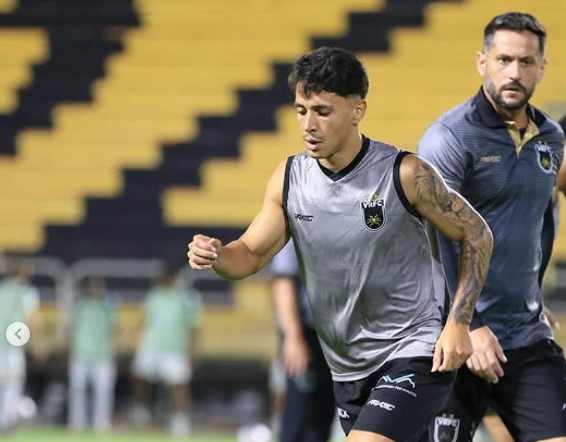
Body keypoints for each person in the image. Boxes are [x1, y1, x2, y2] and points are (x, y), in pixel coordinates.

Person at [187, 46, 494, 442]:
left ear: (357, 111)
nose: (308, 125)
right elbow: (248, 255)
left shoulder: (405, 174)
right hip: (347, 368)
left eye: (322, 111)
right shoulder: (290, 178)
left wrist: (459, 322)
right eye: (301, 110)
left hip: (414, 351)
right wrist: (216, 254)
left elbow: (477, 233)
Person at [417, 12, 566, 442]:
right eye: (504, 59)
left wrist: (533, 294)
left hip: (524, 335)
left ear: (542, 68)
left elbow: (541, 221)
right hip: (451, 335)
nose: (514, 72)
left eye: (526, 62)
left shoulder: (551, 138)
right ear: (482, 62)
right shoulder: (450, 137)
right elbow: (433, 240)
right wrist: (469, 323)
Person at [481, 110, 566, 442]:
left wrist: (530, 300)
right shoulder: (523, 184)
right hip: (481, 327)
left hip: (512, 326)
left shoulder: (547, 198)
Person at [269, 240, 335, 442]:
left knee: (323, 416)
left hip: (338, 336)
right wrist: (293, 337)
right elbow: (283, 280)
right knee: (300, 416)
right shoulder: (296, 226)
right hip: (308, 334)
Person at [131, 269, 203, 438]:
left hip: (175, 349)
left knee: (179, 386)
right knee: (138, 376)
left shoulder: (187, 298)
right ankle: (140, 412)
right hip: (151, 346)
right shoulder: (154, 295)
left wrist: (193, 351)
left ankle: (180, 423)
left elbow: (194, 327)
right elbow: (143, 320)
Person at [67, 276, 118, 432]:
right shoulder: (80, 306)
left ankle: (101, 423)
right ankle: (77, 423)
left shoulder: (107, 307)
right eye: (93, 287)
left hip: (102, 353)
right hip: (81, 352)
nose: (96, 291)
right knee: (77, 389)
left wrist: (113, 351)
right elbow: (72, 329)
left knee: (103, 390)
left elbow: (113, 330)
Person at [0, 260, 44, 432]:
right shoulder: (26, 292)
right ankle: (6, 420)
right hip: (12, 344)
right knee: (13, 383)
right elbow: (33, 318)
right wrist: (38, 343)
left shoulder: (2, 290)